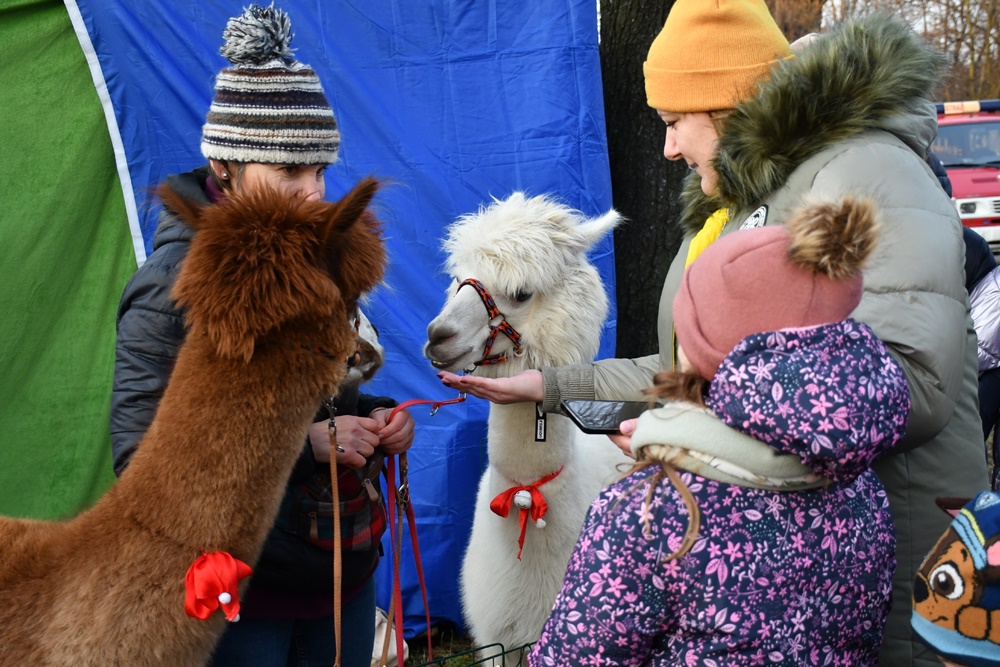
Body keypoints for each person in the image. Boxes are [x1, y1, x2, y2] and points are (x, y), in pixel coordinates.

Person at [439, 2, 987, 664]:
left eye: (674, 122)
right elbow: (699, 362)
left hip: (892, 577)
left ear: (726, 103)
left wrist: (684, 430)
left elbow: (907, 384)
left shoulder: (868, 174)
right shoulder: (740, 205)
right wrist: (555, 384)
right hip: (768, 575)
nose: (667, 147)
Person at [109, 6, 414, 667]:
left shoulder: (322, 259)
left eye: (320, 171)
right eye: (287, 173)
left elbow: (314, 398)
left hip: (340, 572)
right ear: (224, 168)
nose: (313, 195)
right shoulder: (170, 290)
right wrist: (304, 447)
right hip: (243, 593)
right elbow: (141, 466)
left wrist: (371, 419)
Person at [528, 196, 908, 665]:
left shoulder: (650, 510)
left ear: (701, 344)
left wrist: (668, 468)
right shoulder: (860, 484)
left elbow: (574, 657)